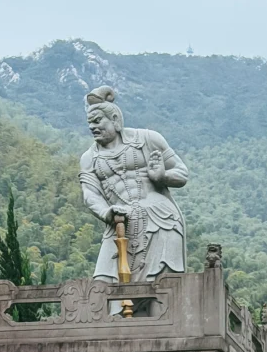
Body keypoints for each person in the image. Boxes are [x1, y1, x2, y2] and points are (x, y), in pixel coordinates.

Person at [79, 85, 188, 282]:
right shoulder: (89, 158)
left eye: (97, 121)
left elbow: (181, 173)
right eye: (89, 123)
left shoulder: (148, 139)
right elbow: (90, 194)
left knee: (161, 287)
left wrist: (162, 176)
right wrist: (106, 213)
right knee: (103, 287)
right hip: (119, 222)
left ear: (115, 119)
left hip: (160, 219)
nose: (92, 127)